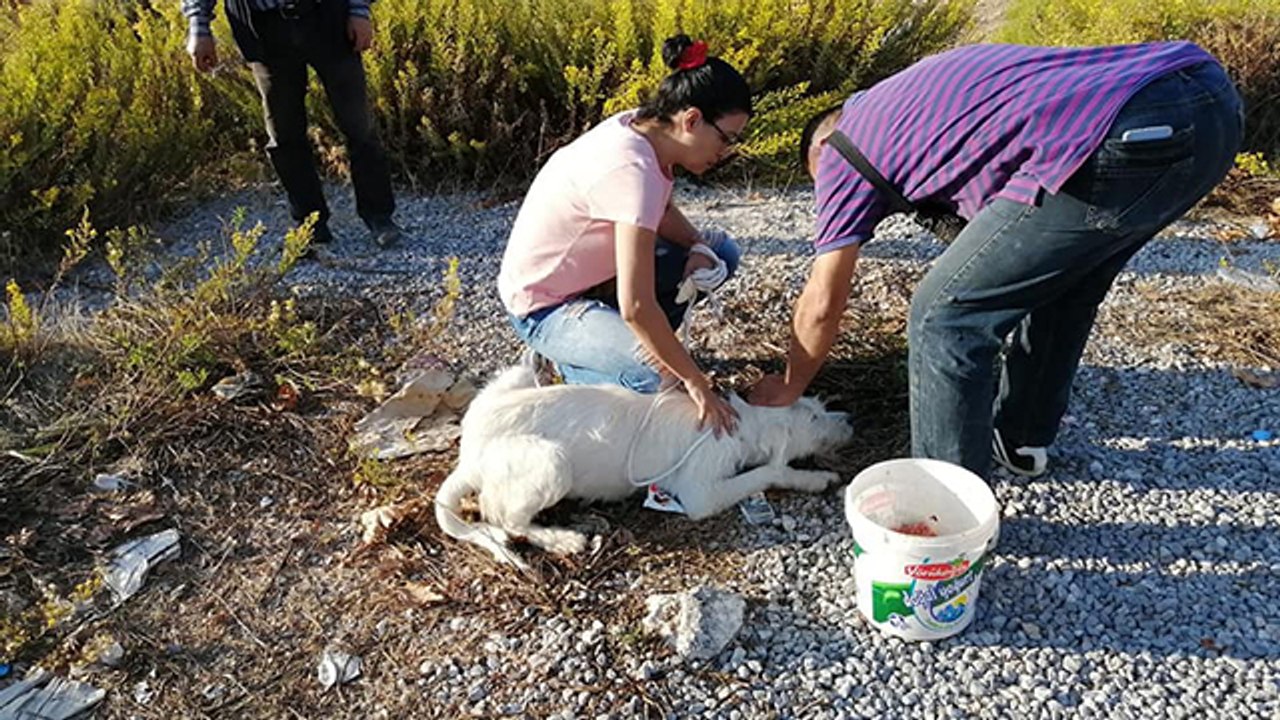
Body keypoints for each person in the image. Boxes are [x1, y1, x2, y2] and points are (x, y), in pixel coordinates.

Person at [749, 41, 1243, 479]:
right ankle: (1021, 440)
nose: (831, 197)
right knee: (1063, 285)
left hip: (1122, 135)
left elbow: (822, 302)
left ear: (822, 145)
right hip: (1210, 109)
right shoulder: (916, 100)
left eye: (820, 184)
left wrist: (791, 384)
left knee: (944, 315)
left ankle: (947, 509)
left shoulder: (841, 149)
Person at [498, 35, 753, 435]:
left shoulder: (644, 129)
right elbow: (635, 305)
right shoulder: (630, 171)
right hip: (546, 307)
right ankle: (567, 361)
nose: (726, 151)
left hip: (594, 281)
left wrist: (698, 246)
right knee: (655, 380)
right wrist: (694, 381)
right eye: (727, 138)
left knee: (721, 253)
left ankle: (615, 345)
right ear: (691, 120)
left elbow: (659, 209)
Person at [183, 0, 403, 248]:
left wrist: (359, 10)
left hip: (328, 17)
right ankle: (310, 226)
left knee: (358, 126)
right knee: (284, 133)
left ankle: (379, 217)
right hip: (264, 30)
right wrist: (198, 27)